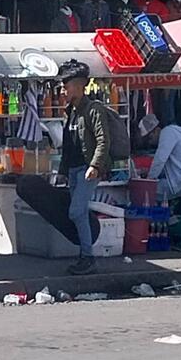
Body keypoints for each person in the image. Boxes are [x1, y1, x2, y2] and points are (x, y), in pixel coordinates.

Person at [57, 59, 111, 276]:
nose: (63, 90)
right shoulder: (70, 111)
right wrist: (62, 171)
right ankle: (85, 255)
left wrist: (95, 165)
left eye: (66, 85)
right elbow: (67, 145)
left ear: (79, 85)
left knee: (76, 211)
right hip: (73, 170)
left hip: (87, 170)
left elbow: (103, 140)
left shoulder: (93, 109)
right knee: (78, 213)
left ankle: (88, 257)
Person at [143, 115, 181, 203]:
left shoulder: (167, 133)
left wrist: (148, 180)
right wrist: (148, 172)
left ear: (157, 130)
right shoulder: (174, 132)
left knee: (146, 191)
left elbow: (160, 160)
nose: (150, 142)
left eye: (150, 138)